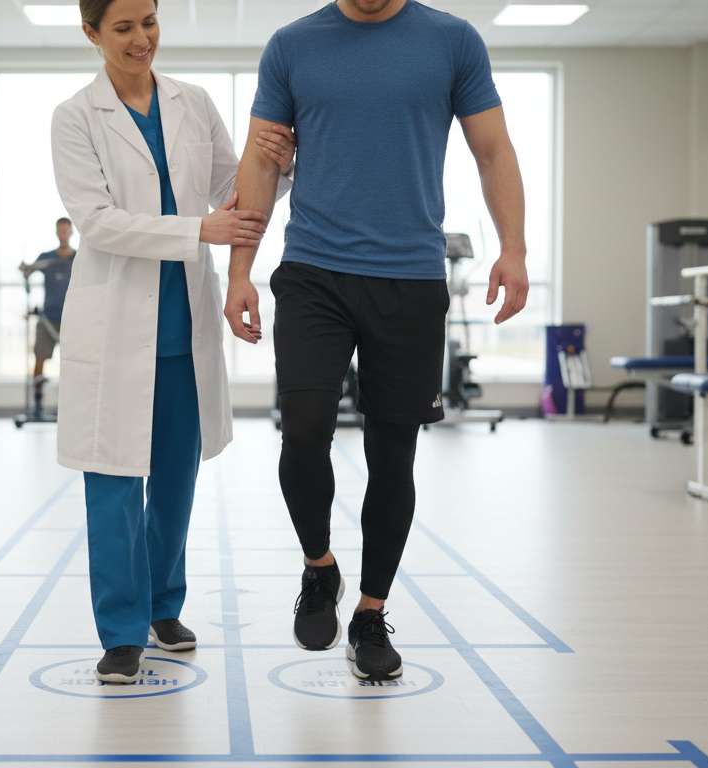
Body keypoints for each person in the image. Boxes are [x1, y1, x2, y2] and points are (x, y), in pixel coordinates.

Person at [226, 0, 528, 682]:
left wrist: (513, 247)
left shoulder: (451, 41)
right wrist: (239, 270)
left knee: (393, 454)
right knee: (303, 431)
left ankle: (369, 613)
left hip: (409, 278)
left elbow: (491, 149)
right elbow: (261, 161)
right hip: (312, 272)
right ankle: (318, 568)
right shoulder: (292, 45)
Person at [51, 0, 296, 682]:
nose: (140, 39)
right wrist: (197, 230)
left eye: (150, 22)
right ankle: (121, 633)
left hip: (181, 332)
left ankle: (163, 605)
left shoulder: (191, 102)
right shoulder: (75, 116)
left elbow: (236, 190)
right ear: (91, 33)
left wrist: (281, 161)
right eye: (123, 27)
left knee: (174, 484)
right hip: (113, 330)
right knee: (113, 486)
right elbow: (97, 222)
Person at [19, 217, 76, 419]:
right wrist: (25, 269)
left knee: (75, 362)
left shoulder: (78, 259)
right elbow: (29, 270)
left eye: (66, 231)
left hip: (73, 319)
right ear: (56, 232)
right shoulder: (47, 258)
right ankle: (37, 404)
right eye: (60, 231)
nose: (63, 235)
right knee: (40, 359)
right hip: (48, 318)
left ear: (71, 232)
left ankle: (73, 406)